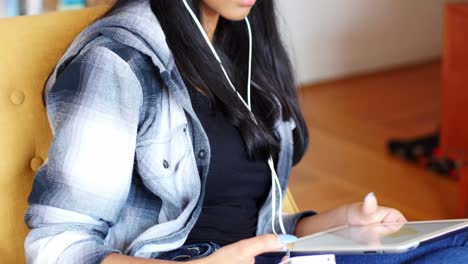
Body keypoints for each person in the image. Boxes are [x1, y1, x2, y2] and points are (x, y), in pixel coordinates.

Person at [24, 0, 468, 263]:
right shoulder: (116, 63)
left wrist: (340, 223)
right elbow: (57, 247)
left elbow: (253, 226)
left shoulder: (244, 46)